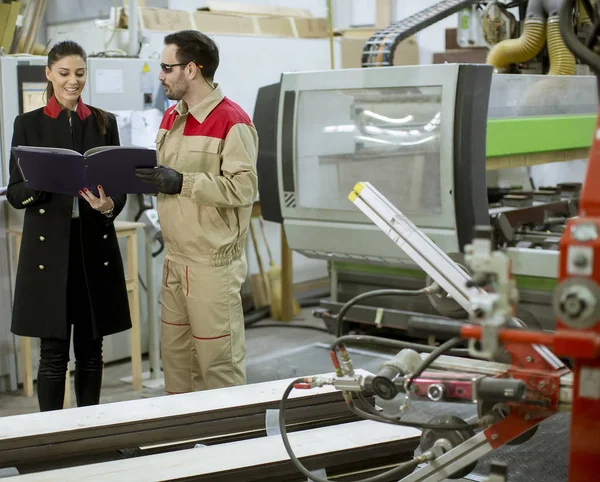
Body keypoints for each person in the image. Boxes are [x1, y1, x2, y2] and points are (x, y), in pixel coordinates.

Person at [6, 40, 132, 411]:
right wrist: (40, 185)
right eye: (64, 73)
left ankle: (88, 430)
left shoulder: (104, 122)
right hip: (50, 251)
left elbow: (119, 188)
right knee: (53, 352)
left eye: (79, 73)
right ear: (48, 73)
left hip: (92, 247)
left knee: (92, 350)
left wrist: (109, 205)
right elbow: (15, 193)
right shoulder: (27, 124)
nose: (72, 81)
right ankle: (50, 436)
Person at [135, 30, 258, 394]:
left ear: (191, 69)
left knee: (218, 366)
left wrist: (182, 182)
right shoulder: (171, 117)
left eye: (166, 67)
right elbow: (168, 177)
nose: (160, 75)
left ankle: (231, 446)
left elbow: (244, 189)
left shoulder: (232, 120)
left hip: (211, 266)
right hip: (175, 259)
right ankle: (184, 445)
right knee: (177, 365)